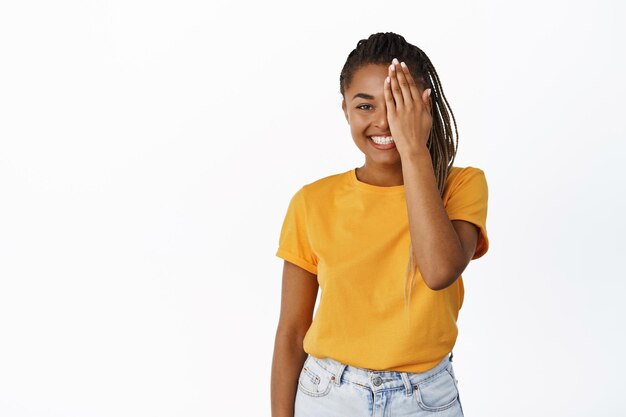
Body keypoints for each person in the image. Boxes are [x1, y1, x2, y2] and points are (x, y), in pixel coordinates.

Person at [270, 32, 489, 417]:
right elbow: (290, 333)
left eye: (396, 105)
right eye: (365, 106)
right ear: (345, 110)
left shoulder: (461, 186)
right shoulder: (312, 201)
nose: (383, 121)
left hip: (426, 400)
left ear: (425, 107)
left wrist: (413, 149)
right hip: (327, 396)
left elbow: (439, 271)